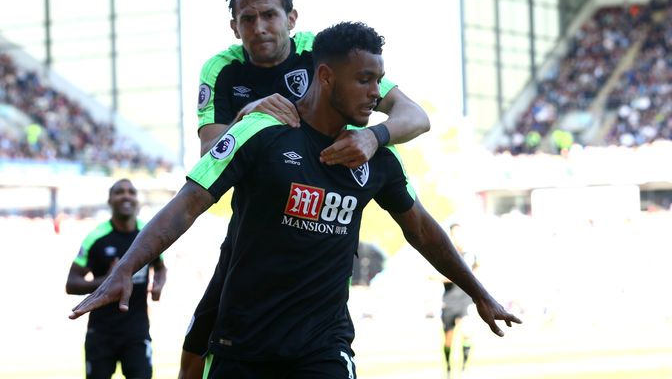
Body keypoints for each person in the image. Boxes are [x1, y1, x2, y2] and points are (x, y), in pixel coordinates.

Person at [70, 22, 521, 379]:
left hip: (323, 348)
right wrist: (126, 268)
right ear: (325, 77)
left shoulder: (378, 157)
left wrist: (478, 293)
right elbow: (188, 202)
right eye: (364, 80)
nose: (374, 94)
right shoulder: (259, 131)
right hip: (243, 345)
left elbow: (421, 228)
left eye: (378, 82)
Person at [182, 0, 433, 378]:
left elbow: (415, 115)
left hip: (318, 212)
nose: (259, 28)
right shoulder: (220, 69)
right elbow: (210, 153)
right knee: (197, 345)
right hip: (252, 229)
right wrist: (249, 113)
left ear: (291, 18)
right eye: (247, 19)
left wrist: (374, 137)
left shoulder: (321, 53)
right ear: (234, 26)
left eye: (269, 15)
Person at [65, 179, 167, 379]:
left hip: (137, 331)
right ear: (110, 200)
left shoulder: (149, 235)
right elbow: (71, 283)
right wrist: (108, 280)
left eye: (131, 192)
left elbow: (161, 267)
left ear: (137, 200)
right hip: (101, 333)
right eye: (119, 192)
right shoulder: (96, 238)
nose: (126, 196)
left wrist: (159, 284)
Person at [438, 223, 479, 378]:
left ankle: (463, 369)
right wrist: (453, 276)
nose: (458, 237)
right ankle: (449, 368)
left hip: (465, 300)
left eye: (460, 234)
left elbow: (476, 271)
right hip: (449, 301)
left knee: (467, 333)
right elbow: (432, 274)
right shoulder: (444, 254)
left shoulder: (470, 255)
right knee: (449, 339)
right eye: (455, 234)